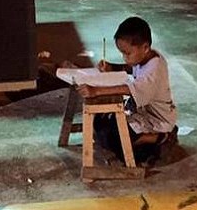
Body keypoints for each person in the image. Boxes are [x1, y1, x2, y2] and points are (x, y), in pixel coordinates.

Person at [76, 16, 178, 165]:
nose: (124, 58)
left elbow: (129, 89)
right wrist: (112, 67)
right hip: (141, 114)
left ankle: (162, 137)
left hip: (157, 121)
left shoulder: (154, 71)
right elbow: (131, 67)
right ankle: (143, 139)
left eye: (127, 53)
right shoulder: (145, 56)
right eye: (122, 53)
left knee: (124, 148)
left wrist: (96, 90)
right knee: (99, 123)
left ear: (145, 47)